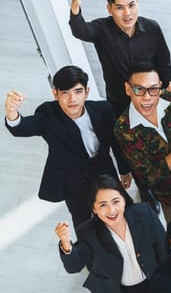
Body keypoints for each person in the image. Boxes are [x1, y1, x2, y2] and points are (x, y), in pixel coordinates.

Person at [69, 0, 171, 210]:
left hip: (150, 100)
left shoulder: (152, 28)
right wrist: (75, 5)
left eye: (132, 5)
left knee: (153, 145)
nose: (128, 13)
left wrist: (164, 96)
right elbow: (80, 30)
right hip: (119, 103)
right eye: (120, 7)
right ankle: (144, 189)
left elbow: (164, 65)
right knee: (127, 148)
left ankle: (155, 185)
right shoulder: (102, 30)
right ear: (109, 8)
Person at [4, 65, 129, 231]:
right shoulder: (48, 114)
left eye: (78, 91)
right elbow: (23, 127)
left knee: (121, 212)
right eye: (65, 93)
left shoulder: (102, 110)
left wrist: (124, 170)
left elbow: (116, 142)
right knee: (83, 222)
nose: (72, 99)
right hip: (73, 180)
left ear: (87, 91)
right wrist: (12, 112)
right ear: (55, 94)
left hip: (103, 171)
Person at [114, 62, 171, 223]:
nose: (147, 97)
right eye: (139, 89)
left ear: (159, 86)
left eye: (153, 89)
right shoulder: (124, 129)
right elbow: (149, 175)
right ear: (128, 89)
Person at [55, 174, 167, 293]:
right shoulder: (88, 232)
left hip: (154, 283)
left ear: (123, 200)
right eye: (103, 205)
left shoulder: (144, 213)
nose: (112, 210)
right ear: (94, 209)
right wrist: (66, 243)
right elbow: (74, 267)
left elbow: (164, 249)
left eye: (115, 201)